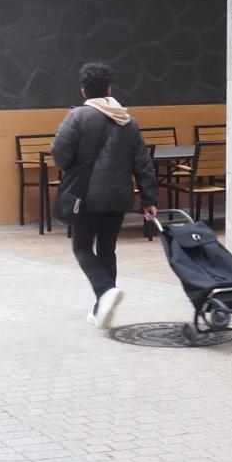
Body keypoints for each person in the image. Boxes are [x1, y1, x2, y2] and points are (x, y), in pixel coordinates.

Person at [51, 63, 158, 330]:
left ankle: (105, 291)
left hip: (87, 196)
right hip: (120, 196)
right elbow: (142, 163)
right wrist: (149, 199)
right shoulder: (128, 120)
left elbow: (60, 155)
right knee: (107, 248)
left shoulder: (77, 117)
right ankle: (102, 310)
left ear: (84, 91)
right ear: (109, 89)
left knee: (81, 247)